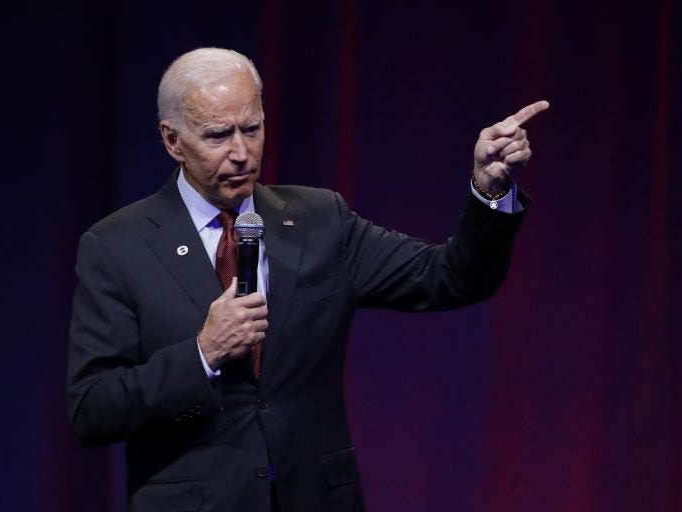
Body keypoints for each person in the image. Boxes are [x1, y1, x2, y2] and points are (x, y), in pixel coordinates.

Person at [67, 47, 549, 512]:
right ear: (173, 140)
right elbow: (92, 409)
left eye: (252, 129)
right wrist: (203, 354)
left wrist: (490, 191)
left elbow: (452, 278)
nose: (240, 152)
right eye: (218, 135)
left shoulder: (321, 220)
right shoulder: (117, 246)